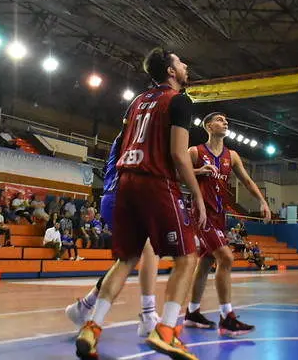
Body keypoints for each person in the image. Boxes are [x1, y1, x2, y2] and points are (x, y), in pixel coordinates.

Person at [74, 48, 206, 360]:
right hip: (154, 182)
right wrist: (196, 194)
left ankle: (91, 327)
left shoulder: (137, 101)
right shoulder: (179, 100)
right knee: (188, 256)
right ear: (171, 72)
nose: (186, 64)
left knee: (126, 260)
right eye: (181, 61)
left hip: (125, 183)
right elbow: (177, 153)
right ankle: (167, 331)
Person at [183, 112, 271, 336]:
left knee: (205, 262)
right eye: (220, 120)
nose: (225, 122)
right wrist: (198, 171)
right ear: (209, 126)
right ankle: (227, 317)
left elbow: (247, 181)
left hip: (220, 215)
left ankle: (192, 313)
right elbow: (174, 173)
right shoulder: (195, 151)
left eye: (226, 120)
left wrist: (262, 201)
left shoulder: (231, 155)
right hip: (201, 213)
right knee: (227, 258)